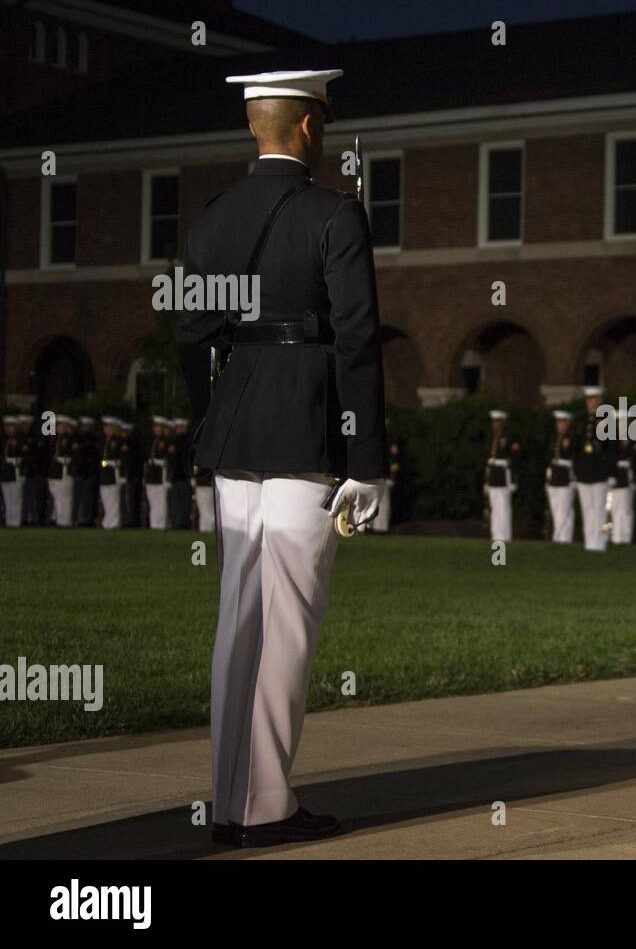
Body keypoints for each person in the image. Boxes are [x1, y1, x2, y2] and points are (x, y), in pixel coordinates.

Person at [176, 69, 387, 847]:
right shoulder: (334, 214)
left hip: (236, 430)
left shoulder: (213, 218)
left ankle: (228, 802)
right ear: (308, 127)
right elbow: (359, 339)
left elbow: (193, 341)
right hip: (304, 426)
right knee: (288, 622)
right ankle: (266, 806)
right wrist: (368, 456)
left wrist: (216, 422)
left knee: (238, 617)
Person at [573, 386, 614, 551]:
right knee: (587, 508)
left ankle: (600, 541)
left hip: (599, 471)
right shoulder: (581, 421)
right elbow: (576, 448)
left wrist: (611, 473)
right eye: (589, 399)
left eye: (595, 399)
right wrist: (575, 470)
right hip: (584, 470)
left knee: (599, 508)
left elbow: (612, 449)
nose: (592, 402)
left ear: (601, 401)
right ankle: (590, 541)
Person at [484, 410, 518, 543]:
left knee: (503, 507)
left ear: (502, 423)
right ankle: (496, 535)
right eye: (494, 422)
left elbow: (514, 459)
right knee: (494, 508)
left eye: (497, 422)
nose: (495, 425)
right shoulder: (491, 438)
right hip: (493, 476)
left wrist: (514, 479)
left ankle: (504, 536)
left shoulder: (508, 438)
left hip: (504, 477)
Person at [545, 410, 577, 542]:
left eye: (562, 422)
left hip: (565, 478)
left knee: (564, 510)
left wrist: (574, 477)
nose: (560, 425)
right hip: (554, 478)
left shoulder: (572, 438)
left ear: (568, 423)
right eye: (558, 422)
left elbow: (574, 458)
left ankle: (565, 537)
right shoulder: (554, 438)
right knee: (555, 509)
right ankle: (557, 536)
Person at [609, 420, 636, 545]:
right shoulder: (612, 440)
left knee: (626, 509)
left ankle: (626, 536)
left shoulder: (633, 440)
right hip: (616, 476)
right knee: (615, 508)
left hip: (626, 477)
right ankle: (616, 535)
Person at [47, 414, 79, 527]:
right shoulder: (54, 438)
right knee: (57, 497)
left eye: (61, 425)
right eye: (57, 425)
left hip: (64, 472)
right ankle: (58, 519)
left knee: (64, 498)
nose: (58, 427)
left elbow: (74, 456)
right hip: (54, 473)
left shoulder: (70, 439)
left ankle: (64, 521)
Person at [145, 415, 173, 530]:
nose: (157, 429)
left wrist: (168, 478)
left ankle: (160, 525)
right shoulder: (152, 440)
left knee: (160, 502)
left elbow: (170, 460)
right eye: (155, 426)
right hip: (151, 475)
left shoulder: (167, 441)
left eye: (159, 427)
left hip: (161, 475)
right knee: (153, 502)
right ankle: (154, 524)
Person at [98, 417, 125, 529]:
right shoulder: (105, 441)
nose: (107, 429)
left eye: (109, 427)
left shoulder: (117, 442)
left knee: (113, 500)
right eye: (106, 427)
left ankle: (113, 522)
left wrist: (106, 463)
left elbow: (121, 459)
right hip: (105, 474)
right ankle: (107, 522)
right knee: (106, 498)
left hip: (114, 473)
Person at [74, 416, 100, 526]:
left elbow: (95, 456)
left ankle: (87, 519)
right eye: (84, 426)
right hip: (80, 471)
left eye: (88, 426)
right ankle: (80, 518)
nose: (86, 428)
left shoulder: (94, 440)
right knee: (79, 496)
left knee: (89, 497)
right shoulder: (77, 438)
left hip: (90, 472)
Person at [2, 416, 26, 527]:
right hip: (5, 471)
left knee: (16, 497)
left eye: (11, 426)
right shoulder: (3, 439)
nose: (9, 428)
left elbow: (24, 455)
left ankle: (15, 522)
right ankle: (8, 521)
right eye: (7, 426)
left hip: (16, 470)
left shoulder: (21, 439)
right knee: (7, 498)